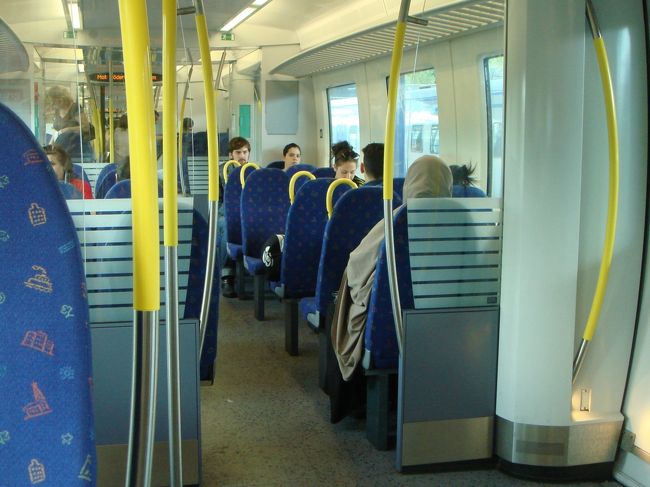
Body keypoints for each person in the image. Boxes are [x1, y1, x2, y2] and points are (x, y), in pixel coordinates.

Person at [331, 155, 452, 381]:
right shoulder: (460, 221)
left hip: (390, 325)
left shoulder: (398, 219)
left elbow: (357, 266)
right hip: (448, 329)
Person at [220, 136, 252, 297]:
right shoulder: (222, 171)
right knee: (228, 228)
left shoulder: (254, 170)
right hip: (225, 211)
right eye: (238, 152)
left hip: (249, 212)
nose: (242, 156)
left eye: (245, 152)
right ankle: (227, 276)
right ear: (230, 155)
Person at [45, 86, 95, 162]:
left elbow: (86, 127)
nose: (53, 106)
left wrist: (68, 129)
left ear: (60, 99)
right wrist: (49, 148)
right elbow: (56, 133)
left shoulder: (75, 108)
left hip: (77, 152)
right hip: (62, 151)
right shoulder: (57, 111)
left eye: (54, 102)